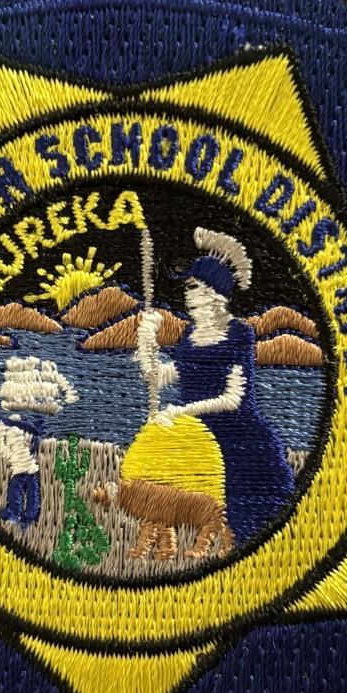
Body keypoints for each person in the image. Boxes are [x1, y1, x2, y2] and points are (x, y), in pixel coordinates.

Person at [135, 228, 294, 548]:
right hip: (198, 437)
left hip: (239, 441)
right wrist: (145, 340)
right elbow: (157, 377)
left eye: (193, 287)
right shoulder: (189, 338)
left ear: (215, 293)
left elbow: (234, 398)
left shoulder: (239, 336)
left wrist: (179, 411)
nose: (188, 295)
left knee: (251, 519)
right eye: (188, 288)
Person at [0, 355, 76, 533]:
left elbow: (6, 442)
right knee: (28, 489)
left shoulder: (18, 427)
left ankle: (19, 514)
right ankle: (27, 515)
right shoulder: (20, 428)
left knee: (21, 488)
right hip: (25, 466)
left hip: (23, 466)